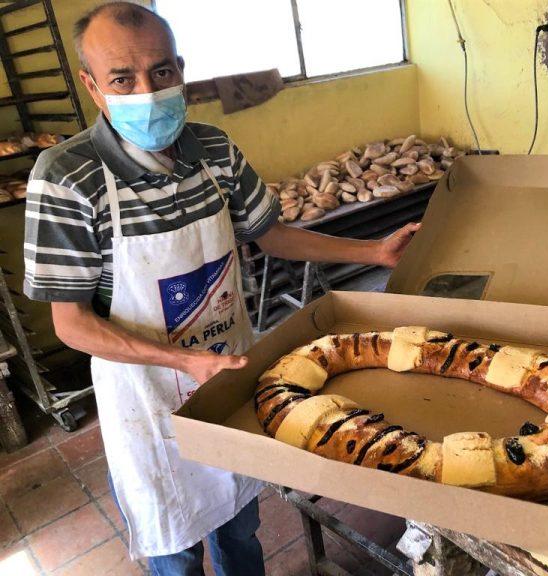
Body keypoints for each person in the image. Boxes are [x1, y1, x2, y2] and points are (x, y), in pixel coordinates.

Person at [22, 2, 419, 574]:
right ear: (92, 87)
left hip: (227, 374)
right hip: (149, 401)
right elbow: (72, 323)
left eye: (160, 71)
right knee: (177, 550)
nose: (147, 90)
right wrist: (181, 362)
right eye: (121, 79)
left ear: (180, 69)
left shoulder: (214, 150)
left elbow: (274, 236)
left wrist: (372, 252)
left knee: (239, 527)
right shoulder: (66, 177)